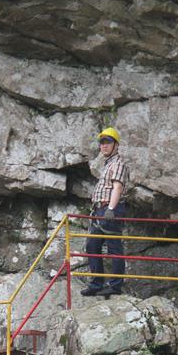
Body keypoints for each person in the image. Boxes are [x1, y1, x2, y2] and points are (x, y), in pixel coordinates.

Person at [81, 127, 130, 298]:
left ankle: (115, 286)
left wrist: (110, 208)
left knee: (114, 248)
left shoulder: (118, 164)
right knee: (92, 246)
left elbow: (117, 187)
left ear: (116, 145)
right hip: (99, 210)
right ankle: (96, 283)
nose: (104, 145)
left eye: (108, 142)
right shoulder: (108, 164)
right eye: (102, 142)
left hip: (110, 209)